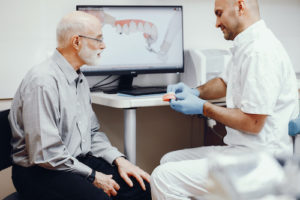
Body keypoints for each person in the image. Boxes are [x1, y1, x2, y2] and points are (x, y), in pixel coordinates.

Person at [150, 0, 299, 199]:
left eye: (219, 13)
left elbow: (253, 122)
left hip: (262, 160)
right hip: (242, 150)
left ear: (240, 6)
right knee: (168, 161)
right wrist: (195, 92)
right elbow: (225, 82)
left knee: (164, 177)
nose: (216, 22)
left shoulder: (260, 51)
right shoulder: (247, 44)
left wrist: (204, 108)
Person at [9, 11, 151, 200]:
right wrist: (93, 176)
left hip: (74, 161)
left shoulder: (79, 78)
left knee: (141, 187)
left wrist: (120, 160)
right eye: (99, 39)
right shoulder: (42, 82)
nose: (104, 45)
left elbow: (91, 133)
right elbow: (46, 154)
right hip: (41, 171)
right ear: (76, 42)